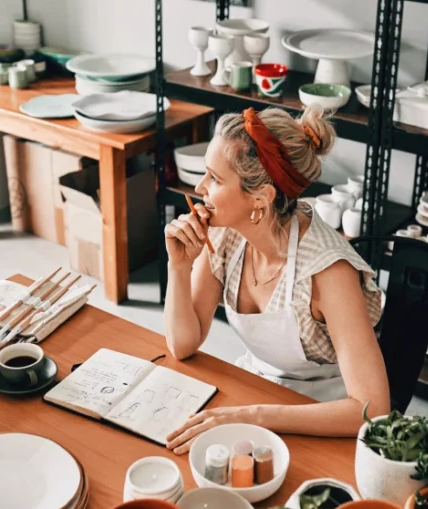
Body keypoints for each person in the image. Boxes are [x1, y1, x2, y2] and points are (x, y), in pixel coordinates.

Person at [163, 106, 390, 454]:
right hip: (256, 394)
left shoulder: (329, 273)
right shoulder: (226, 236)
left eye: (215, 179)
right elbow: (183, 345)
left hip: (322, 418)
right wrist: (178, 267)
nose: (199, 187)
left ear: (260, 199)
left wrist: (254, 415)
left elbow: (370, 410)